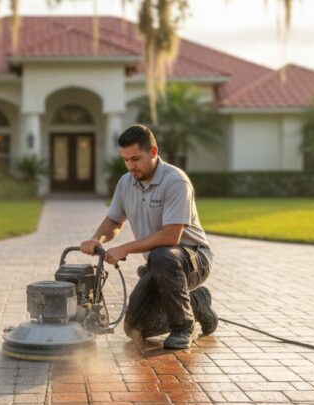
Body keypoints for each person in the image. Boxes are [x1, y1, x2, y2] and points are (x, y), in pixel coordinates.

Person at [80, 124, 217, 350]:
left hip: (194, 259)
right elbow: (114, 221)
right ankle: (196, 302)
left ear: (153, 152)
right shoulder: (126, 183)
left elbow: (171, 236)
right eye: (125, 160)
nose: (130, 166)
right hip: (160, 263)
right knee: (135, 328)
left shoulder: (175, 181)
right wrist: (97, 239)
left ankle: (184, 327)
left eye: (135, 158)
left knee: (163, 256)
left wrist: (125, 248)